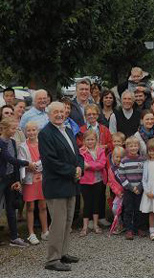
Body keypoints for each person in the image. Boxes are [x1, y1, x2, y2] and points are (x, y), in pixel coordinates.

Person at [38, 101, 84, 271]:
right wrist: (73, 171)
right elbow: (50, 162)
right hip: (56, 186)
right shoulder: (45, 134)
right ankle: (52, 260)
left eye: (61, 111)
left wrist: (80, 167)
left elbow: (77, 154)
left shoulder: (68, 130)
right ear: (49, 114)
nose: (59, 114)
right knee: (57, 224)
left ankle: (62, 253)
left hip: (70, 183)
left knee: (67, 221)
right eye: (55, 112)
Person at [0, 117, 34, 247]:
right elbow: (9, 159)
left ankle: (14, 237)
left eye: (16, 128)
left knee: (11, 208)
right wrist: (27, 163)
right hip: (1, 179)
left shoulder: (13, 142)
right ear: (3, 128)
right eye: (13, 128)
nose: (15, 130)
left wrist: (16, 180)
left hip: (10, 179)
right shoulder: (1, 143)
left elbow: (14, 161)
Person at [18, 122, 49, 245]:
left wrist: (40, 164)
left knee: (43, 206)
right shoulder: (22, 146)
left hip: (42, 178)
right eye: (29, 130)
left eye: (33, 130)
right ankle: (31, 233)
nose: (31, 133)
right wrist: (28, 165)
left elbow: (47, 157)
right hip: (30, 180)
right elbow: (21, 160)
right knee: (30, 206)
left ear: (37, 131)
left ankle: (45, 230)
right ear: (26, 132)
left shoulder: (42, 143)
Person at [79, 130, 107, 237]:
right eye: (88, 139)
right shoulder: (81, 151)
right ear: (84, 141)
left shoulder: (100, 150)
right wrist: (94, 165)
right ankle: (85, 226)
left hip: (98, 180)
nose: (90, 142)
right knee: (87, 203)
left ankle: (95, 225)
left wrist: (90, 166)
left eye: (92, 139)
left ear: (96, 140)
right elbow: (82, 164)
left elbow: (102, 164)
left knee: (96, 202)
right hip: (85, 181)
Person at [119, 136, 146, 240]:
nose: (133, 148)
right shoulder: (124, 161)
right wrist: (130, 187)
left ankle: (139, 227)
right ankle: (129, 229)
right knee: (128, 210)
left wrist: (140, 187)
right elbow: (122, 176)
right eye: (131, 146)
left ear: (138, 147)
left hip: (140, 189)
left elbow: (145, 175)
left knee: (139, 209)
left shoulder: (142, 160)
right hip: (128, 190)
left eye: (135, 146)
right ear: (127, 147)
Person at [107, 146, 125, 235]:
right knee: (115, 208)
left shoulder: (126, 167)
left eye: (121, 157)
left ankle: (130, 225)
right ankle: (119, 224)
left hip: (128, 192)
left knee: (128, 209)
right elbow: (111, 182)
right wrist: (118, 192)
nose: (119, 159)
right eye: (116, 157)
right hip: (119, 194)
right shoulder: (111, 169)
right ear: (113, 157)